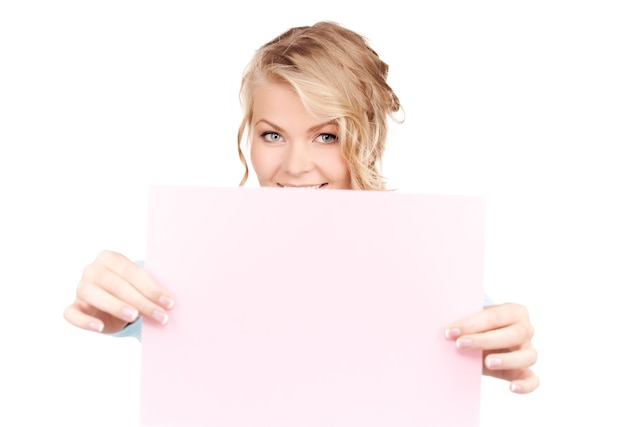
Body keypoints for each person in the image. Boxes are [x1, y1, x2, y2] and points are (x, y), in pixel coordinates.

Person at [63, 21, 538, 394]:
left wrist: (507, 343)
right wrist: (113, 298)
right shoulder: (196, 264)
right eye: (273, 135)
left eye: (326, 136)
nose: (294, 166)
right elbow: (137, 296)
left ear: (369, 141)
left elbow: (484, 333)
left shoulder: (430, 276)